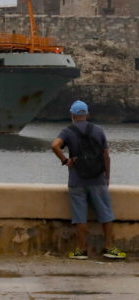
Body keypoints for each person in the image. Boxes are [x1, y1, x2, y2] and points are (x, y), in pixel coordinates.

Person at [51, 100, 126, 260]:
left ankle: (81, 250)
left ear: (72, 115)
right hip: (98, 179)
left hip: (77, 181)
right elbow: (106, 156)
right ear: (87, 114)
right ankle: (109, 248)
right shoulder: (98, 131)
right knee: (106, 214)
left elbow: (54, 145)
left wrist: (65, 160)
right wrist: (107, 176)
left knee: (80, 216)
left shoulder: (67, 131)